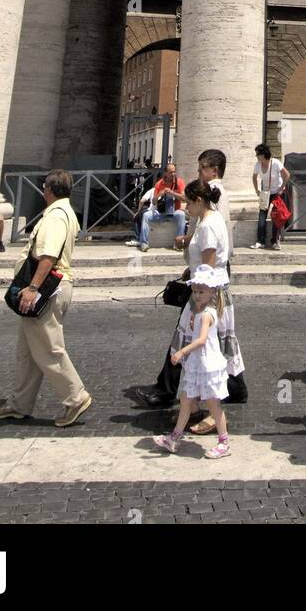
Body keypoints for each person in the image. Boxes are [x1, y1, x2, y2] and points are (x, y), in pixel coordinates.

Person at [0, 169, 92, 428]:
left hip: (47, 288)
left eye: (44, 187)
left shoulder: (56, 216)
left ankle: (75, 397)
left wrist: (32, 288)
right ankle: (19, 404)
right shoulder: (64, 211)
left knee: (48, 348)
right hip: (50, 287)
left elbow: (48, 255)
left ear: (49, 190)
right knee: (28, 352)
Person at [142, 177, 247, 415]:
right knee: (216, 343)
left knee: (201, 344)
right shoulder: (208, 219)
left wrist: (200, 300)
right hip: (208, 289)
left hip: (207, 293)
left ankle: (199, 403)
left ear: (199, 201)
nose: (186, 208)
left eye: (188, 203)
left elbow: (209, 264)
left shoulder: (209, 225)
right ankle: (230, 390)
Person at [154, 265, 231, 460]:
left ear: (212, 291)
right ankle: (175, 437)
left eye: (201, 291)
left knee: (213, 405)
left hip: (207, 364)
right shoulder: (200, 311)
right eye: (195, 291)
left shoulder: (207, 313)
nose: (196, 295)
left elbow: (201, 340)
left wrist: (182, 352)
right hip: (198, 363)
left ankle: (224, 441)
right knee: (186, 400)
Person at [129, 161, 186, 252]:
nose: (173, 174)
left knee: (182, 215)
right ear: (165, 173)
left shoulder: (179, 182)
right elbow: (154, 202)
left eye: (174, 171)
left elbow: (184, 198)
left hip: (175, 211)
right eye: (171, 172)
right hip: (160, 212)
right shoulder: (159, 184)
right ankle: (144, 243)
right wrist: (159, 194)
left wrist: (173, 193)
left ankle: (178, 243)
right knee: (146, 215)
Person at [251, 144, 290, 251]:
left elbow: (287, 175)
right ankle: (260, 241)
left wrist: (282, 188)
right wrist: (257, 190)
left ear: (263, 154)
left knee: (276, 216)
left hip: (277, 193)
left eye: (257, 154)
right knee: (262, 216)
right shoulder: (258, 165)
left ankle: (275, 241)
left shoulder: (276, 163)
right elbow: (254, 177)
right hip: (265, 193)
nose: (256, 156)